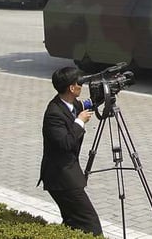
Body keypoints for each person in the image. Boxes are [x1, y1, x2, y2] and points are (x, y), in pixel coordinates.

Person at [39, 66, 104, 236]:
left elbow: (87, 104)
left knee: (73, 221)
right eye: (80, 83)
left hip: (68, 174)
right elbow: (66, 143)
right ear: (72, 88)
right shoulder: (54, 113)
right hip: (60, 178)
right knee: (90, 224)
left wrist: (107, 92)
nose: (82, 86)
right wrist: (80, 122)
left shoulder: (70, 103)